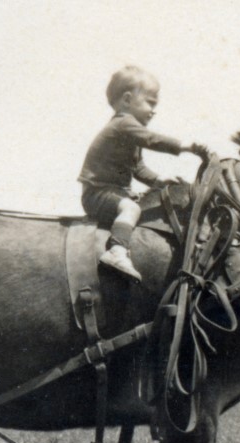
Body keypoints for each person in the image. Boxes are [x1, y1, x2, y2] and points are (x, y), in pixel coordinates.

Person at [79, 65, 208, 281]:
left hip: (111, 191)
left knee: (137, 205)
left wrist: (159, 181)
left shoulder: (129, 132)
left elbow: (137, 167)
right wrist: (187, 147)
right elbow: (151, 139)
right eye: (150, 102)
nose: (153, 110)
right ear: (127, 100)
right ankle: (116, 251)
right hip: (98, 193)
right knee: (131, 208)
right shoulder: (124, 124)